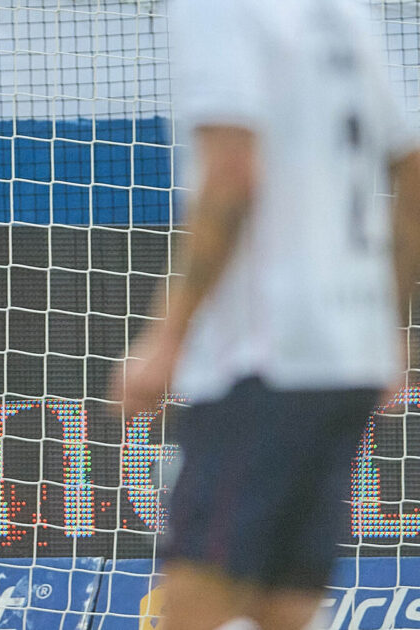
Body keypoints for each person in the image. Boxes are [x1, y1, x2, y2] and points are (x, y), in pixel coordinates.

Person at [110, 0, 420, 629]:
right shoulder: (342, 12)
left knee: (194, 607)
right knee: (284, 609)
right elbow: (411, 168)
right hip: (345, 358)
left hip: (264, 358)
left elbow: (231, 172)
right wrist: (387, 325)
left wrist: (168, 336)